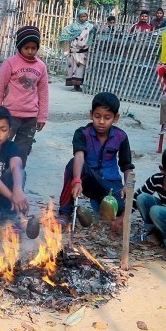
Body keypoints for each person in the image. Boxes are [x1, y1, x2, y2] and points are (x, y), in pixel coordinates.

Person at [58, 92, 134, 230]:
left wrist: (128, 186)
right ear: (91, 114)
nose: (101, 122)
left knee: (123, 207)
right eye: (97, 116)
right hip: (88, 179)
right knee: (72, 163)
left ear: (116, 118)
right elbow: (79, 155)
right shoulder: (82, 133)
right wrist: (77, 180)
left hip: (110, 184)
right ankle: (64, 213)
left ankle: (100, 205)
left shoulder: (121, 137)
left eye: (107, 117)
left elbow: (126, 165)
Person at [0, 25, 49, 168]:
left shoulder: (41, 66)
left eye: (34, 48)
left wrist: (42, 116)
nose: (30, 51)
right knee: (2, 146)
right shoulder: (9, 63)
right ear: (19, 46)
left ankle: (16, 177)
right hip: (10, 116)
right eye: (26, 48)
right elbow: (0, 88)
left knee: (22, 151)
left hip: (30, 118)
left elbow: (43, 92)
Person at [59, 10, 94, 92]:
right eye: (81, 16)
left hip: (83, 51)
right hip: (73, 51)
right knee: (72, 69)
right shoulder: (73, 26)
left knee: (80, 69)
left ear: (87, 17)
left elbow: (92, 35)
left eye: (84, 16)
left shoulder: (89, 26)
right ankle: (75, 86)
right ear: (78, 17)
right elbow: (65, 30)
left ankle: (79, 86)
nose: (83, 18)